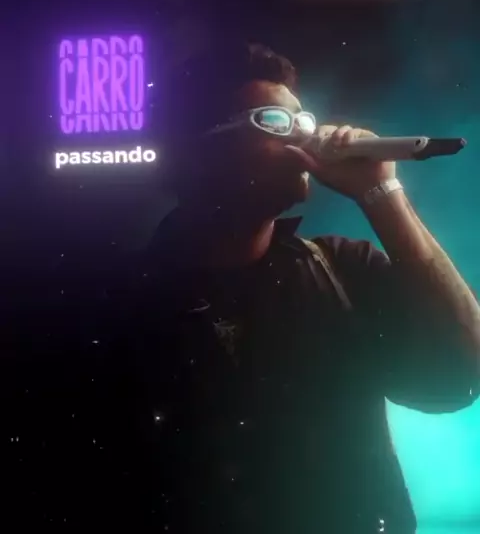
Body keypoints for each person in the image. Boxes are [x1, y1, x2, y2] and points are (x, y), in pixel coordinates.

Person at [1, 40, 479, 533]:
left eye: (305, 121)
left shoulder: (342, 269)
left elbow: (459, 379)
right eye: (275, 122)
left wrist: (382, 194)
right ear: (198, 151)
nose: (305, 138)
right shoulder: (111, 308)